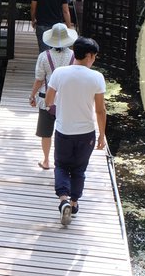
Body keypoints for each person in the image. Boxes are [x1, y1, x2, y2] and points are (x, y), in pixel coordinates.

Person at [44, 37, 107, 227]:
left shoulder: (59, 73)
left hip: (64, 130)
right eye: (94, 56)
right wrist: (101, 135)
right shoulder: (97, 77)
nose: (94, 59)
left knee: (61, 166)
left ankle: (63, 200)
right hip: (86, 132)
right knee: (79, 170)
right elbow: (100, 110)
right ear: (89, 56)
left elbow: (48, 101)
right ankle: (74, 202)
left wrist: (59, 108)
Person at [28, 23, 77, 170]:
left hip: (46, 100)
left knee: (46, 133)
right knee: (66, 132)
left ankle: (46, 160)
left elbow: (39, 79)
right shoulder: (74, 56)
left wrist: (32, 96)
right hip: (66, 100)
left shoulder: (44, 56)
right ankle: (64, 162)